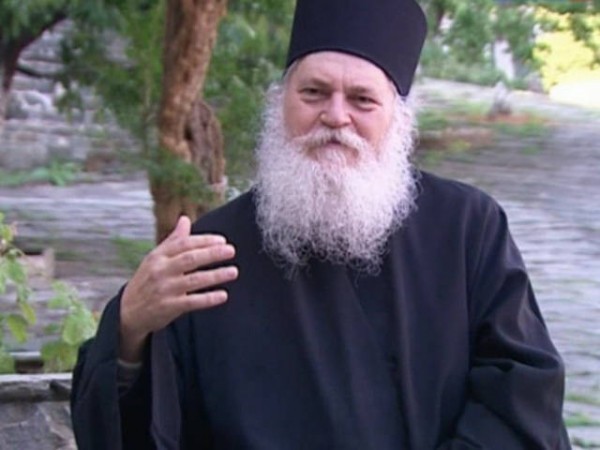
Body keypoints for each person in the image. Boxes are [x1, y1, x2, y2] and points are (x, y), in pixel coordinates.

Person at [70, 0, 571, 448]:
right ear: (280, 103)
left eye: (362, 99)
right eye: (314, 92)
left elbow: (523, 394)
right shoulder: (213, 250)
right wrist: (130, 329)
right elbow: (141, 428)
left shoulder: (467, 228)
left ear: (398, 118)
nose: (336, 116)